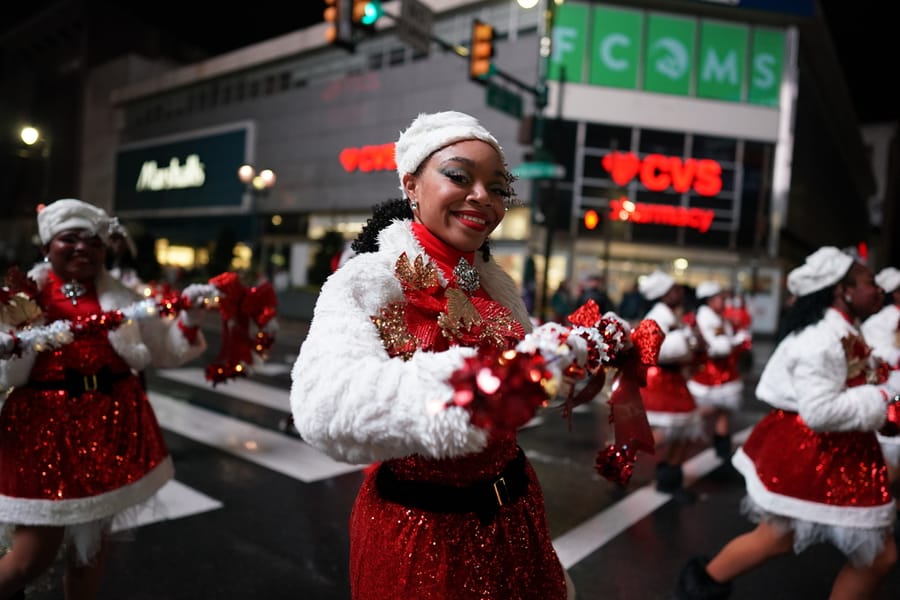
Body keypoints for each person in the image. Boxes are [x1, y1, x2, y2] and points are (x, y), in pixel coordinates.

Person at [289, 111, 573, 599]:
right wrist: (469, 386)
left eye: (498, 187)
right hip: (421, 534)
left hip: (516, 513)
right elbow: (323, 403)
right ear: (411, 184)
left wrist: (570, 368)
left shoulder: (492, 286)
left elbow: (523, 388)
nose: (483, 197)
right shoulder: (368, 281)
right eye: (460, 177)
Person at [0, 198, 209, 599]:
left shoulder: (122, 296)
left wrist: (190, 319)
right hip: (43, 437)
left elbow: (164, 349)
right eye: (70, 239)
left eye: (94, 241)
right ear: (47, 246)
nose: (84, 248)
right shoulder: (21, 298)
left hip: (107, 430)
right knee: (31, 557)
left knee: (91, 552)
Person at [674, 247, 900, 600]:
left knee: (779, 538)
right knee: (875, 555)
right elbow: (820, 411)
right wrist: (884, 398)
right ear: (844, 291)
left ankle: (699, 588)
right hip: (819, 450)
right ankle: (698, 587)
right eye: (870, 282)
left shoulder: (839, 330)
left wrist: (882, 385)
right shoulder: (821, 339)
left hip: (835, 447)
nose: (879, 290)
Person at [638, 270, 704, 502]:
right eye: (675, 289)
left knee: (683, 432)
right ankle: (620, 461)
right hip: (660, 381)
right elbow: (649, 351)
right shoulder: (656, 316)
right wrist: (683, 344)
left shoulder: (672, 314)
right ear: (664, 295)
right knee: (665, 431)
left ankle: (670, 479)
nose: (680, 292)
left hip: (673, 380)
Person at [686, 281, 751, 459]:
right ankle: (682, 434)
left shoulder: (718, 316)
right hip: (710, 375)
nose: (724, 301)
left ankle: (722, 451)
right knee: (706, 411)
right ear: (709, 300)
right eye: (720, 298)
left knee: (723, 412)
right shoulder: (708, 318)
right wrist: (738, 341)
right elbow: (719, 348)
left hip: (722, 374)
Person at [861, 266, 900, 541]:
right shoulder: (880, 321)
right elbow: (872, 358)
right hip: (892, 400)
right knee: (890, 469)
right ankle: (871, 516)